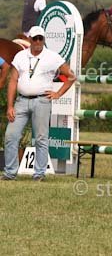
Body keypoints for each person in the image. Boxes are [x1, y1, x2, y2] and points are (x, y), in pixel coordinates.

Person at [2, 26, 76, 181]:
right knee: (10, 136)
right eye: (34, 38)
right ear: (30, 39)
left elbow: (71, 76)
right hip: (21, 101)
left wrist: (58, 93)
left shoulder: (52, 57)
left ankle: (39, 174)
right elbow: (13, 80)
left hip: (42, 101)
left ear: (43, 39)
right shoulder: (20, 56)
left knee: (41, 138)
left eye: (40, 38)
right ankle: (10, 173)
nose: (37, 41)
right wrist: (10, 106)